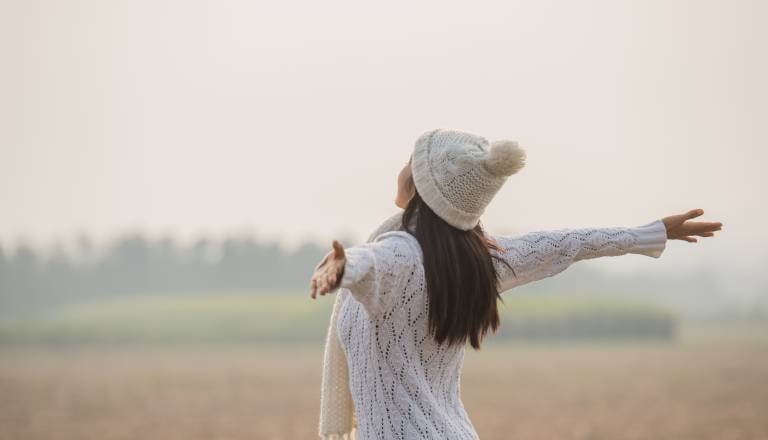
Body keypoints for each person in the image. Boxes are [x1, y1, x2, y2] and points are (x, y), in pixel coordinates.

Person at [309, 128, 723, 440]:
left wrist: (343, 267)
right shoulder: (479, 261)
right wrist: (647, 234)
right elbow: (566, 244)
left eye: (410, 161)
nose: (401, 168)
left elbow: (374, 262)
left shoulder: (397, 252)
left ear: (421, 185)